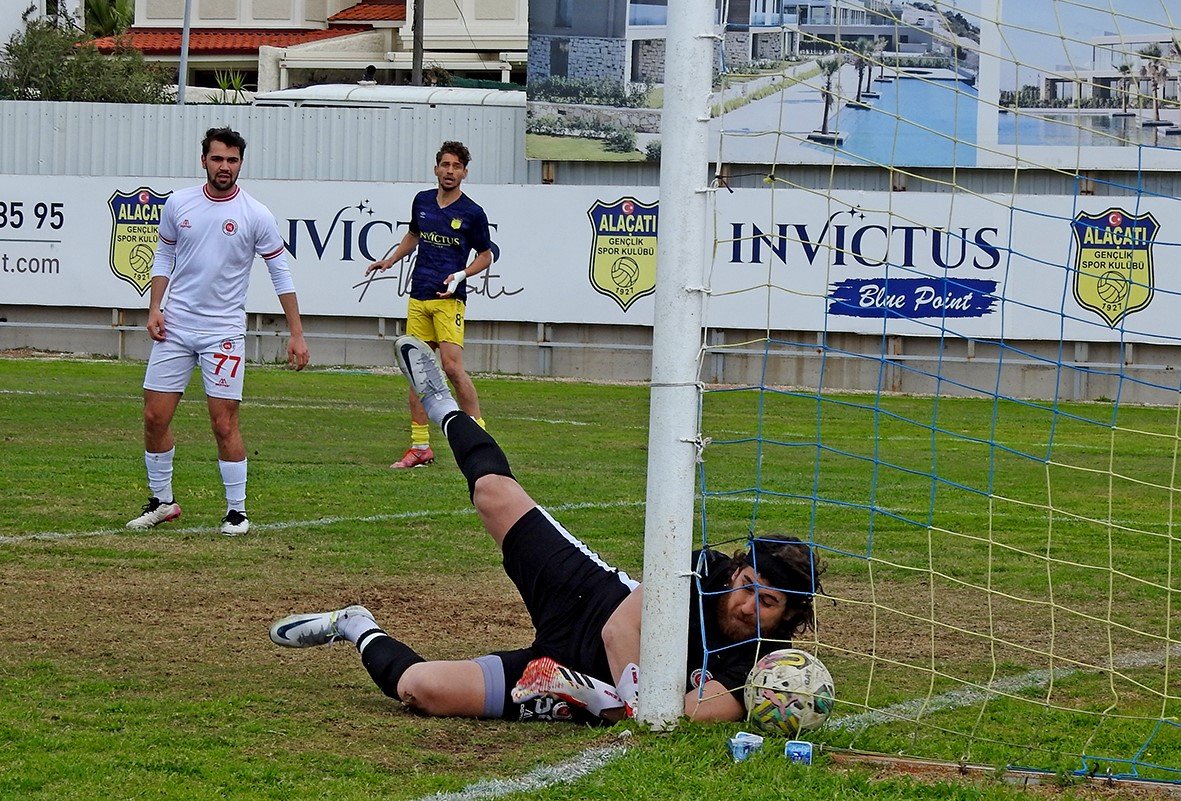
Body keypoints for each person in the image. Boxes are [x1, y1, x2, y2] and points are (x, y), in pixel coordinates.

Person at [268, 335, 825, 723]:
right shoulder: (705, 568)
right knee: (493, 493)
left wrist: (594, 698)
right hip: (588, 598)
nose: (748, 602)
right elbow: (620, 629)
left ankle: (354, 624)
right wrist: (628, 701)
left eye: (769, 600)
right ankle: (442, 405)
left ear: (788, 616)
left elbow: (697, 715)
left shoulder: (763, 662)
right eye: (749, 584)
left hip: (569, 677)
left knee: (421, 690)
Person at [126, 126, 310, 537]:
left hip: (222, 332)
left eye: (232, 160)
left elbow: (280, 272)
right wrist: (155, 308)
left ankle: (237, 511)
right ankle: (162, 502)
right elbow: (164, 255)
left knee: (223, 423)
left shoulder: (255, 214)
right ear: (203, 160)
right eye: (217, 159)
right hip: (175, 325)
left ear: (240, 164)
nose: (224, 167)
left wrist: (296, 333)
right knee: (155, 416)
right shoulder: (179, 204)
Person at [364, 140, 494, 470]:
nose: (450, 171)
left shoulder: (473, 213)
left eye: (456, 167)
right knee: (417, 373)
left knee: (451, 368)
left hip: (448, 301)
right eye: (445, 165)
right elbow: (414, 234)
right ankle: (420, 447)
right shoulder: (421, 202)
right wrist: (390, 260)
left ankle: (480, 440)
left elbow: (486, 255)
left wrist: (461, 275)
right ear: (436, 168)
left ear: (465, 172)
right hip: (419, 296)